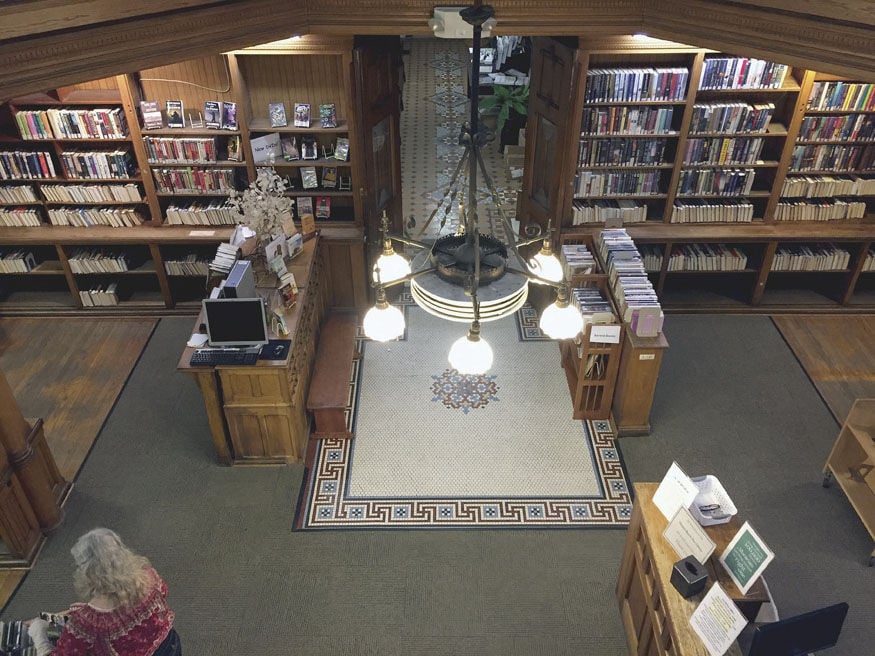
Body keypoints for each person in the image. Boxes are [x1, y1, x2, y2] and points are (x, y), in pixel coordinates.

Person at [27, 528, 180, 656]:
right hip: (169, 647)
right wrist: (53, 618)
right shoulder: (150, 577)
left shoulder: (88, 623)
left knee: (43, 630)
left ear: (88, 572)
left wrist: (40, 636)